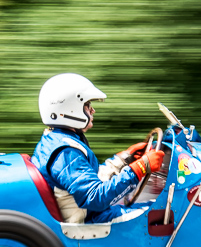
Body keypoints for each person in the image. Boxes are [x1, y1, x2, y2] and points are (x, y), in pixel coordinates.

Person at [32, 73, 166, 224]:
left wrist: (123, 160)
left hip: (91, 211)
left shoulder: (56, 139)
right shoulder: (65, 152)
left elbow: (88, 177)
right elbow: (95, 197)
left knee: (156, 208)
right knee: (165, 216)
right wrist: (140, 168)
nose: (92, 110)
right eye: (87, 106)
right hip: (89, 221)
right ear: (70, 109)